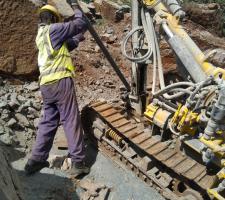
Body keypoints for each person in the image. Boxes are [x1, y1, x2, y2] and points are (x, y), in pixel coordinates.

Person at [24, 2, 90, 177]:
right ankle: (78, 161)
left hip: (46, 85)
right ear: (54, 19)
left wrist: (79, 37)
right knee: (70, 119)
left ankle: (36, 160)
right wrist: (77, 8)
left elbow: (67, 45)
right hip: (60, 82)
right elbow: (80, 23)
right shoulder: (54, 29)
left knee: (49, 121)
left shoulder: (41, 35)